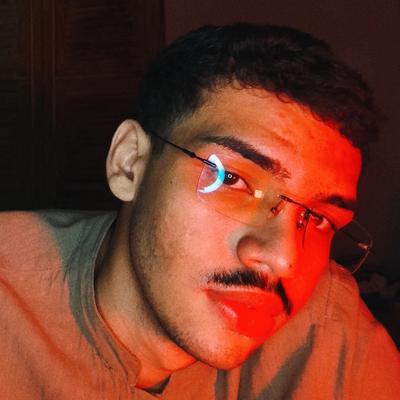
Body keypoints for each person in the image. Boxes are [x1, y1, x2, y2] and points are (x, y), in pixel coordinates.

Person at [0, 23, 399, 400]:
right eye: (232, 180)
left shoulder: (331, 328)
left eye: (319, 218)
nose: (284, 259)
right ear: (130, 163)